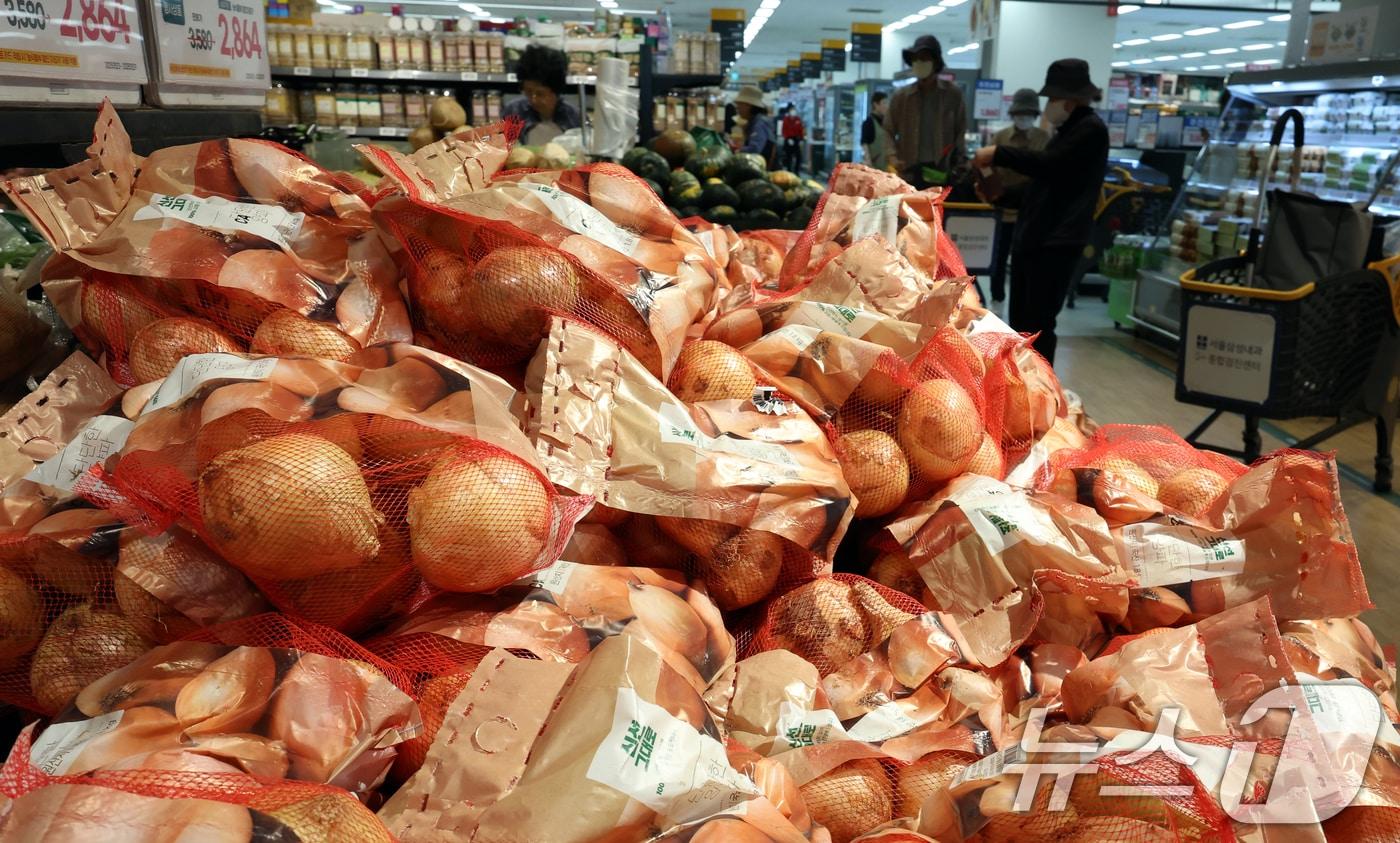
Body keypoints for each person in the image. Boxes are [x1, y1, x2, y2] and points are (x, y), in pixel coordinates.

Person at [973, 59, 1108, 364]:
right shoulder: (1066, 131)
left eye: (1053, 98)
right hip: (1038, 239)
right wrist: (1003, 196)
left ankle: (1040, 385)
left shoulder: (1090, 130)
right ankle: (1023, 382)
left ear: (1070, 100)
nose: (1049, 106)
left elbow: (1050, 166)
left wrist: (999, 154)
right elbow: (1043, 187)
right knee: (1024, 325)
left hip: (1056, 242)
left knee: (1038, 325)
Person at [985, 88, 1050, 306]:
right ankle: (997, 297)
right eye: (1020, 114)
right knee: (999, 255)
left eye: (1028, 114)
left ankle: (1026, 300)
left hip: (1032, 209)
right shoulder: (1000, 137)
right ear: (1013, 114)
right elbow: (987, 168)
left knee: (1027, 257)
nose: (1024, 118)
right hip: (1003, 208)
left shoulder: (1044, 139)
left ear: (1035, 115)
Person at [886, 34, 967, 189]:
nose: (919, 63)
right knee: (909, 204)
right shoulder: (901, 97)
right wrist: (892, 156)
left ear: (935, 62)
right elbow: (888, 129)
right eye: (915, 59)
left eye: (924, 58)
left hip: (940, 172)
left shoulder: (952, 95)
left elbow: (960, 130)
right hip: (908, 171)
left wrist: (960, 162)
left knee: (937, 204)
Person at [502, 44, 581, 146]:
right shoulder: (513, 112)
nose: (533, 99)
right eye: (528, 92)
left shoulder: (575, 118)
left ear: (556, 91)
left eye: (540, 94)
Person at [731, 85, 775, 161]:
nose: (737, 108)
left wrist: (737, 150)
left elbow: (755, 149)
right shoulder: (754, 122)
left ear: (748, 106)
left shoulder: (759, 124)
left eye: (740, 104)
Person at [860, 91, 890, 172]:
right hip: (875, 168)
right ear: (876, 104)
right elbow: (864, 144)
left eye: (887, 103)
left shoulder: (886, 122)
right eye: (884, 103)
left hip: (887, 168)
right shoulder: (869, 122)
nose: (887, 106)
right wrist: (869, 163)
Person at [779, 104, 805, 173]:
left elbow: (801, 129)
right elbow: (784, 130)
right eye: (792, 110)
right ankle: (789, 170)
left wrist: (801, 139)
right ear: (789, 111)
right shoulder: (786, 119)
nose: (793, 111)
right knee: (788, 156)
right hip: (788, 139)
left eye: (794, 110)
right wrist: (787, 138)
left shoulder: (798, 119)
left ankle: (796, 171)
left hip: (796, 139)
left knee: (798, 156)